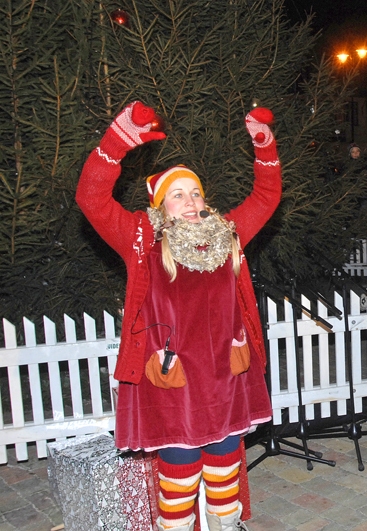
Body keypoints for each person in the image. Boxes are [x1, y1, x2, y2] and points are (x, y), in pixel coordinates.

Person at [76, 102, 282, 531]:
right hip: (172, 388)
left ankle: (226, 525)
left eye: (195, 192)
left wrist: (264, 146)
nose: (190, 201)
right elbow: (90, 198)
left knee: (225, 469)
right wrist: (116, 144)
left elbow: (267, 196)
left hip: (225, 380)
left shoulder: (227, 234)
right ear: (160, 205)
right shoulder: (141, 239)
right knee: (180, 479)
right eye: (178, 194)